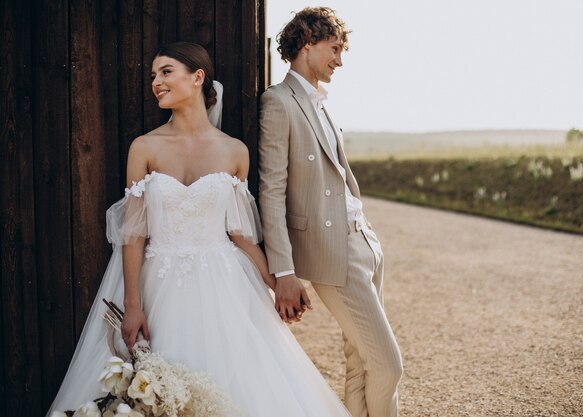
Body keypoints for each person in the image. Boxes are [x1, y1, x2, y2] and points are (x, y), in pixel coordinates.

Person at [47, 42, 351, 417]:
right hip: (157, 281)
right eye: (153, 75)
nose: (156, 82)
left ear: (197, 77)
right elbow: (134, 234)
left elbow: (240, 234)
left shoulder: (235, 151)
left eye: (166, 72)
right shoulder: (144, 147)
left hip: (224, 282)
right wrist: (132, 305)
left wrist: (279, 282)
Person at [259, 8, 403, 417]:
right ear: (307, 41)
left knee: (361, 362)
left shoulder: (319, 102)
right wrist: (284, 271)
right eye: (334, 49)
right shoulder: (278, 102)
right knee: (389, 366)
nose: (339, 61)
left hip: (364, 243)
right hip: (332, 251)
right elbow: (272, 190)